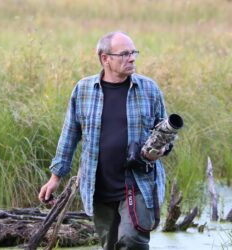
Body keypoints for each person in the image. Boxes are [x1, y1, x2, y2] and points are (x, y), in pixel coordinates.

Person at [39, 31, 170, 250]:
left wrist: (162, 149)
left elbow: (166, 134)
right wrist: (55, 178)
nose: (132, 58)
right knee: (110, 245)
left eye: (133, 52)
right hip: (99, 186)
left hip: (138, 183)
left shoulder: (149, 89)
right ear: (105, 58)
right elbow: (69, 134)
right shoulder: (83, 90)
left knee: (132, 240)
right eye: (125, 54)